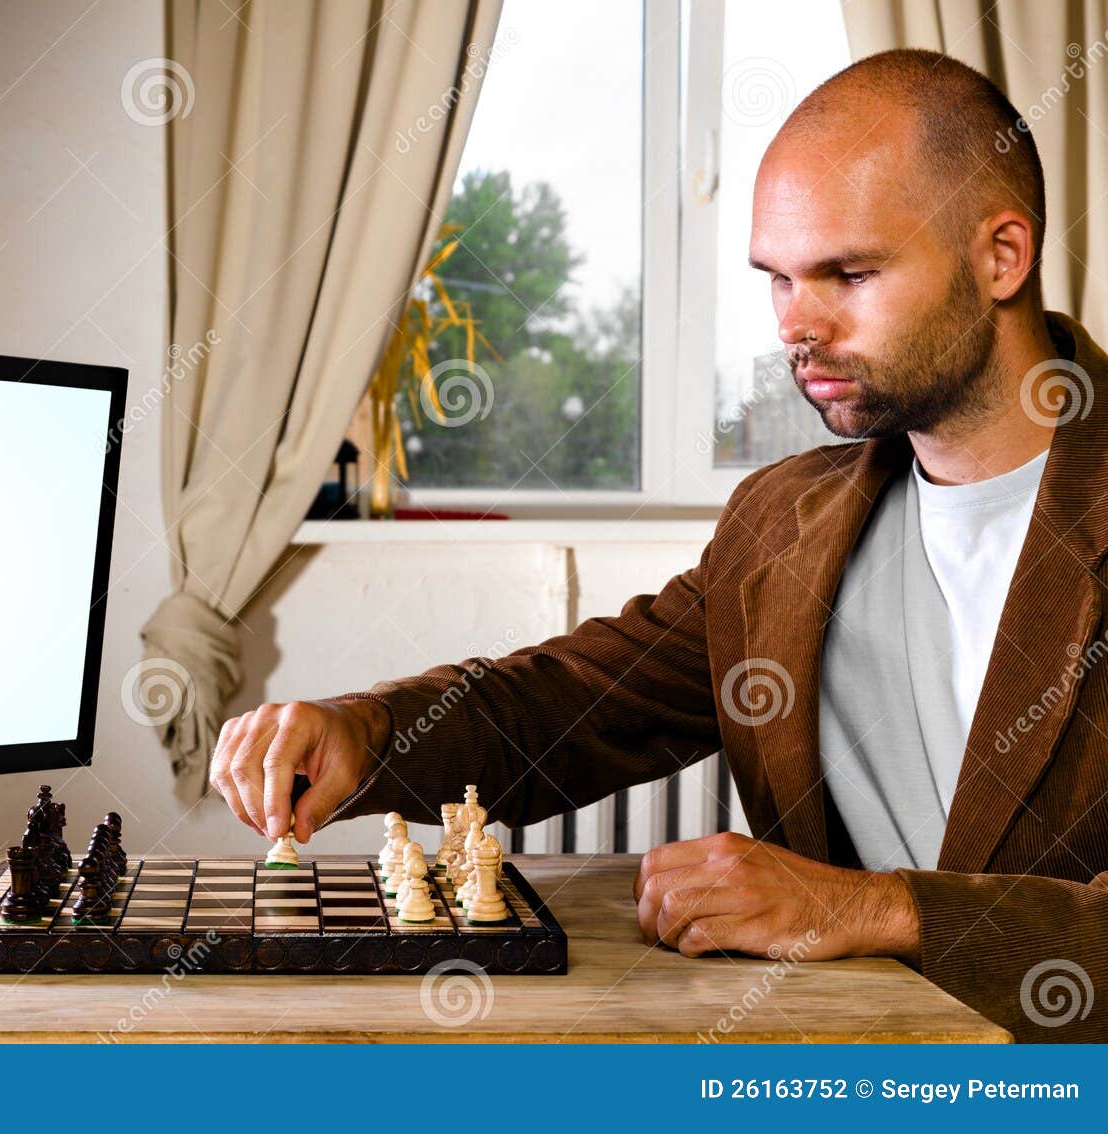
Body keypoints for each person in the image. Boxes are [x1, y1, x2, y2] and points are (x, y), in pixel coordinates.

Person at [207, 49, 1108, 1042]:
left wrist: (867, 907)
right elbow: (565, 705)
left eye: (849, 274)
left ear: (1001, 257)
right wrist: (367, 733)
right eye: (777, 280)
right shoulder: (779, 523)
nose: (795, 327)